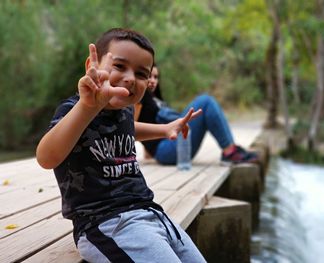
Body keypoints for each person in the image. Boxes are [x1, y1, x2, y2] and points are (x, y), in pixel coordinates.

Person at [36, 28, 206, 263]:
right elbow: (46, 157)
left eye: (140, 73)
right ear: (91, 65)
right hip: (106, 222)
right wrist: (88, 107)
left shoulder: (124, 111)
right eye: (119, 66)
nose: (129, 78)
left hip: (151, 213)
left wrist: (165, 129)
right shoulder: (74, 110)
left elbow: (128, 130)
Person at [137, 65, 258, 165]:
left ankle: (231, 150)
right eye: (149, 76)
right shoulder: (139, 97)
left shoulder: (156, 100)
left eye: (156, 77)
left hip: (174, 145)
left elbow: (149, 120)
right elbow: (131, 126)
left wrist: (148, 152)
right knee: (205, 101)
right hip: (165, 150)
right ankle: (230, 152)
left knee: (206, 101)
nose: (153, 80)